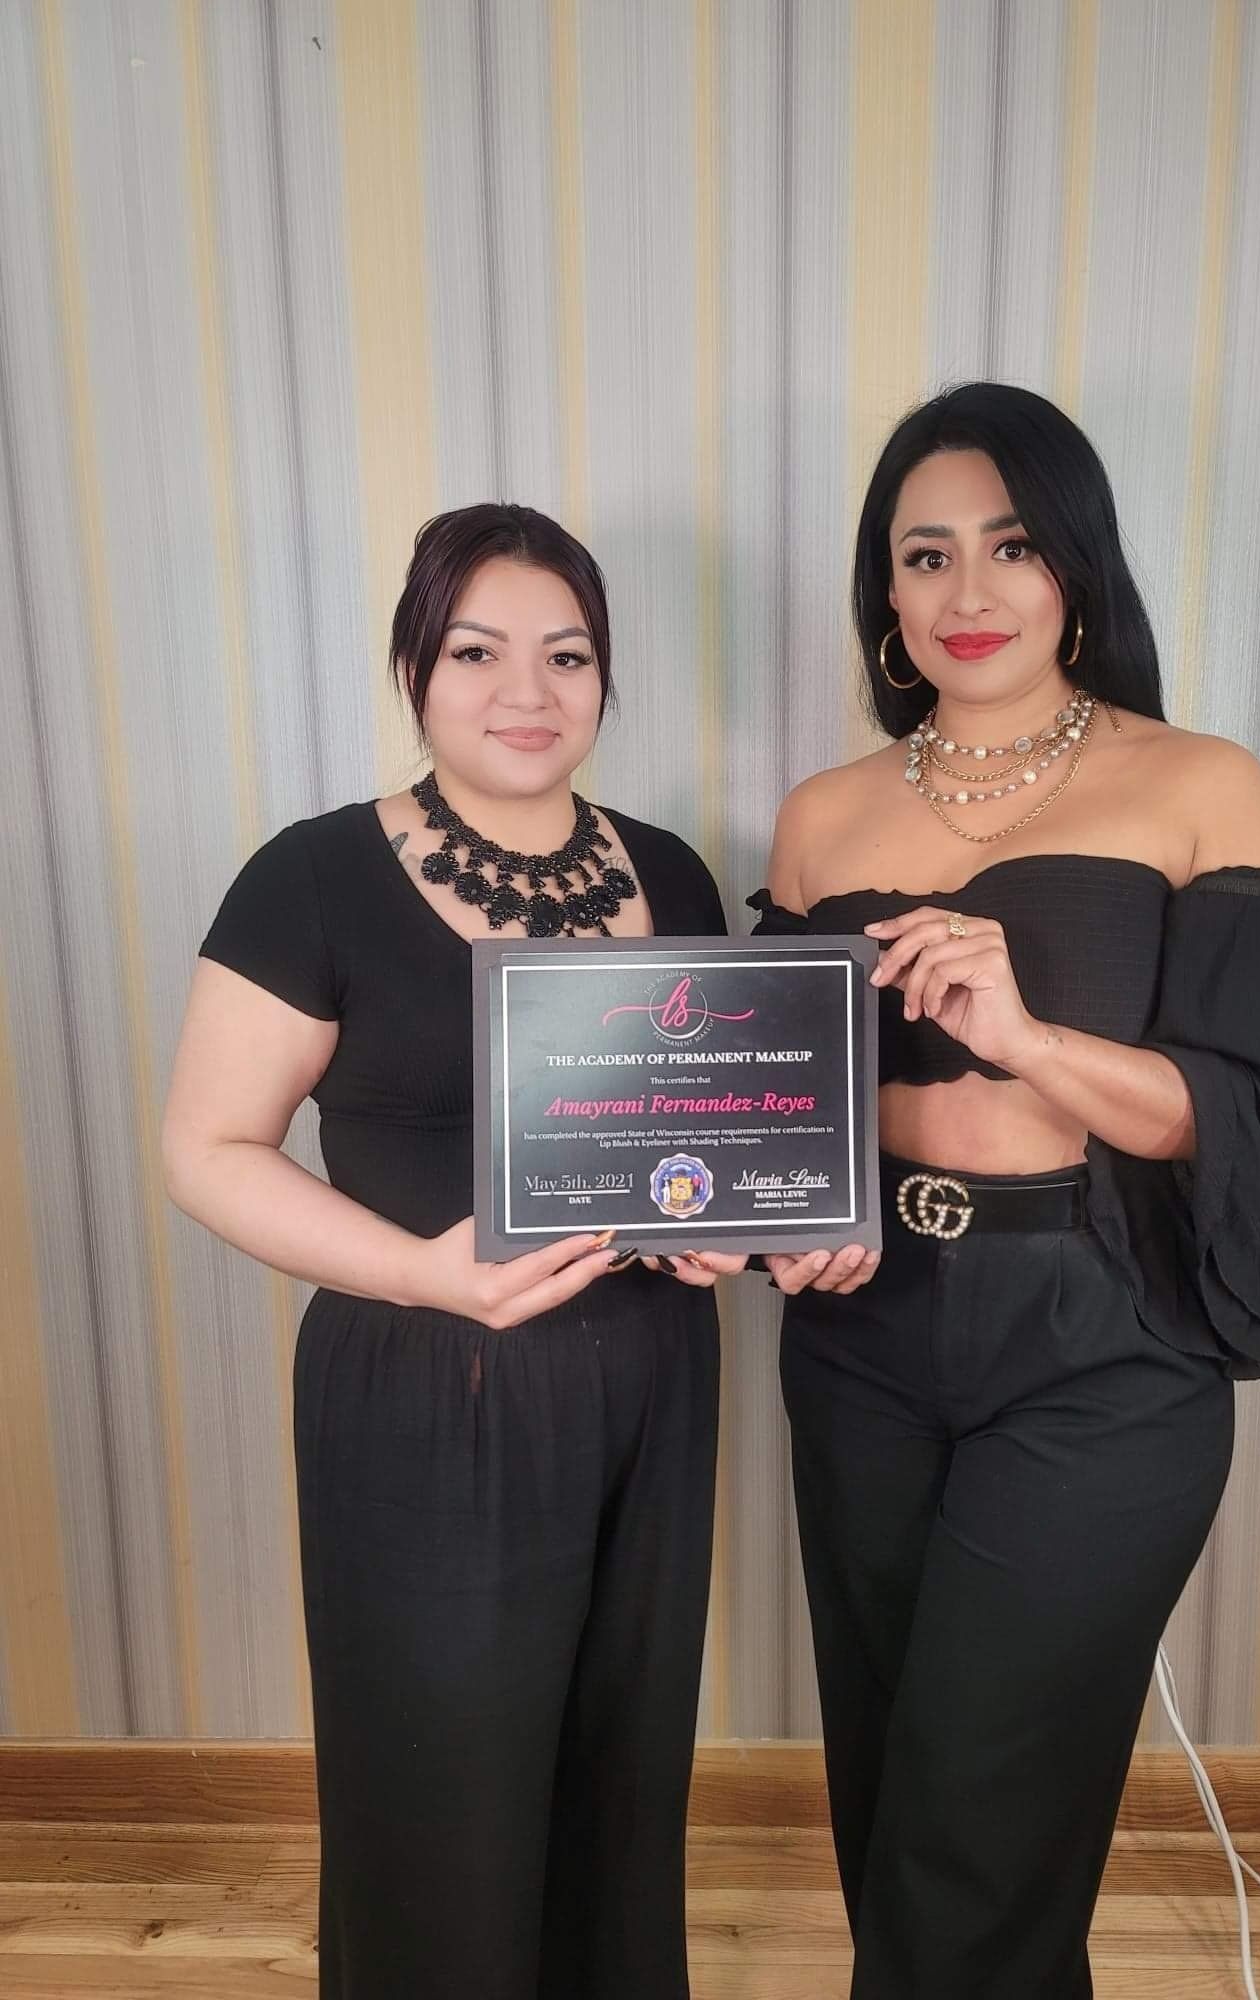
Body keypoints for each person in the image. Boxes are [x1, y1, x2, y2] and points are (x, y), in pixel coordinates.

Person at [748, 384, 1260, 1999]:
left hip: (1102, 1339)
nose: (970, 591)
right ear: (886, 591)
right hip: (866, 1338)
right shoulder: (821, 816)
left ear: (1076, 562)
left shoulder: (1199, 783)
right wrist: (792, 1209)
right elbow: (776, 1099)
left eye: (1010, 546)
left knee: (980, 1807)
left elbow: (1244, 1115)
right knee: (894, 1782)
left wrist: (1029, 1039)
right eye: (925, 555)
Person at [163, 503, 740, 2000]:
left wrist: (723, 1226)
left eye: (568, 654)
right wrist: (428, 1271)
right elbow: (206, 1148)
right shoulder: (313, 877)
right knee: (440, 1791)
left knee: (622, 1767)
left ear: (605, 676)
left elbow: (699, 1127)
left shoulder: (673, 874)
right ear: (415, 667)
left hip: (654, 1382)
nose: (526, 691)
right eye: (478, 651)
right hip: (429, 1384)